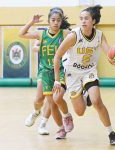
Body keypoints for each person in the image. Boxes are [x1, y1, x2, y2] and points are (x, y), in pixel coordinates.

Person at [53, 5, 115, 145]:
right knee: (80, 112)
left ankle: (111, 133)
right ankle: (84, 95)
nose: (83, 21)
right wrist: (57, 80)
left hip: (89, 72)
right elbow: (57, 56)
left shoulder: (100, 35)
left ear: (93, 21)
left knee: (97, 101)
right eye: (81, 19)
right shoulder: (73, 36)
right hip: (72, 74)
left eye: (86, 18)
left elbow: (109, 54)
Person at [19, 7, 74, 139]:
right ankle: (37, 112)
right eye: (53, 20)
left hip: (59, 70)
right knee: (40, 100)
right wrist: (32, 22)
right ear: (49, 21)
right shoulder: (41, 34)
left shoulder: (65, 33)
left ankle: (51, 124)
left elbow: (78, 38)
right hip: (44, 71)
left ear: (61, 21)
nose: (56, 22)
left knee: (53, 100)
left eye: (58, 20)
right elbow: (21, 34)